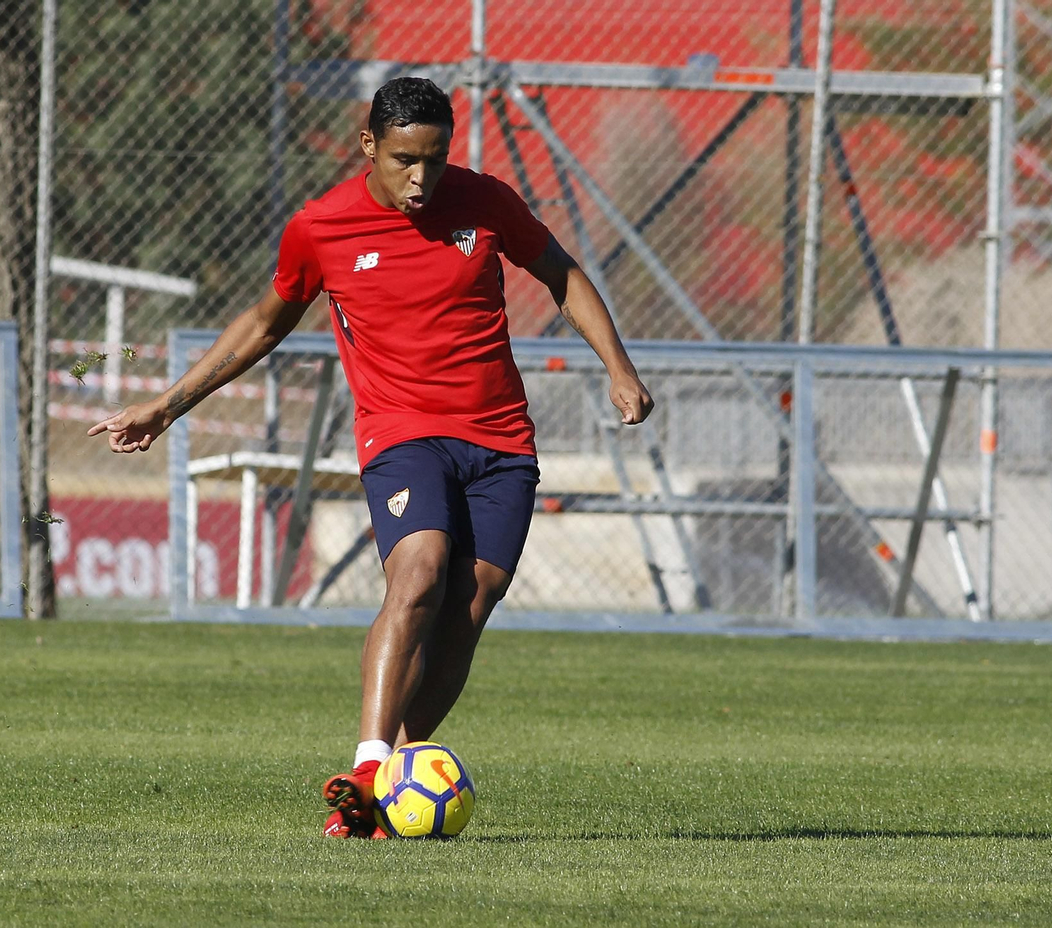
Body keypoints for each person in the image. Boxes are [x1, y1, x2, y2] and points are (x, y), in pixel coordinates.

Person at [88, 77, 652, 838]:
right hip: (402, 433)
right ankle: (367, 765)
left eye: (434, 159)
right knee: (418, 572)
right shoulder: (321, 227)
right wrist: (168, 402)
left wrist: (618, 367)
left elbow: (562, 274)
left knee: (472, 600)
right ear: (368, 146)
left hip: (501, 441)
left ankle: (397, 784)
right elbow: (264, 323)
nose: (421, 178)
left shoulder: (485, 202)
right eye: (403, 160)